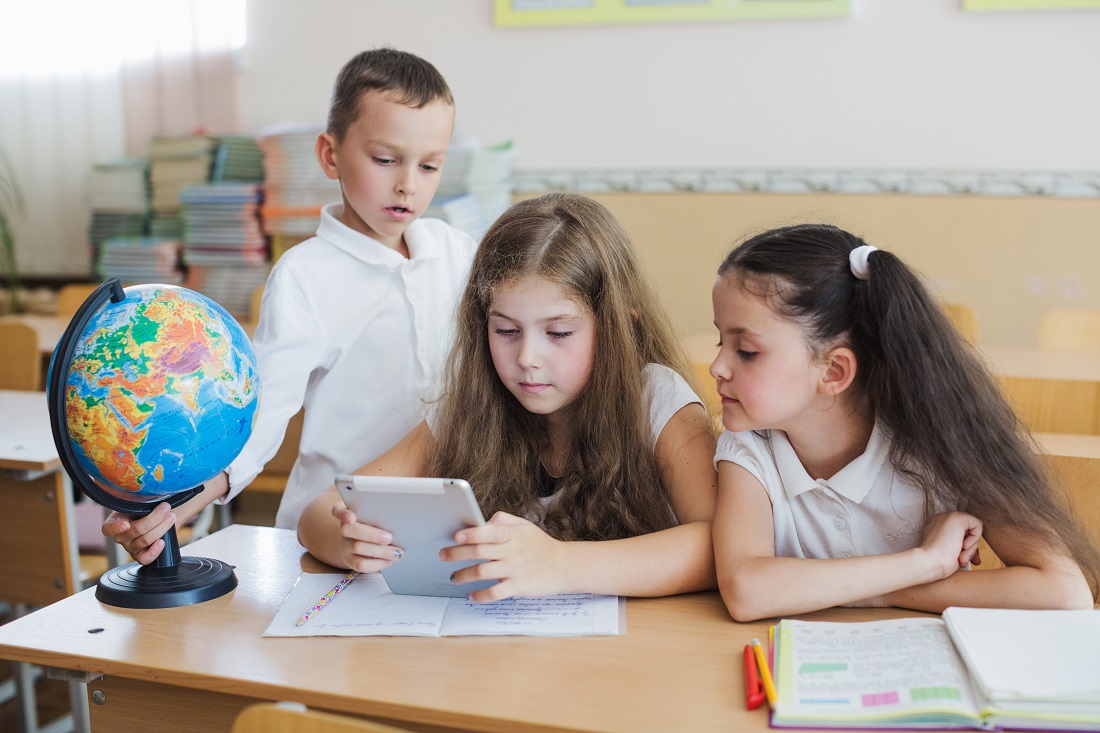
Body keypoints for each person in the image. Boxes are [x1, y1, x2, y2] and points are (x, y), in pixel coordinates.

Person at [105, 48, 477, 564]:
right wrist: (182, 503)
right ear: (329, 155)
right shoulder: (305, 274)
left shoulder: (457, 252)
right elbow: (261, 412)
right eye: (385, 159)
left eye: (430, 164)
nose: (408, 184)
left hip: (441, 530)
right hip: (333, 530)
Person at [298, 193, 719, 601]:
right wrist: (346, 541)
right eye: (506, 331)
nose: (527, 358)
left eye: (558, 333)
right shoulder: (472, 407)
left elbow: (717, 544)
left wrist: (560, 563)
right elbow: (323, 509)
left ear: (619, 328)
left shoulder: (656, 400)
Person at [709, 223, 1100, 622]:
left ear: (833, 371)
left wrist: (884, 592)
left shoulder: (939, 439)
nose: (717, 366)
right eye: (720, 341)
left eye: (746, 350)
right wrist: (923, 563)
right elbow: (747, 590)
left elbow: (1064, 591)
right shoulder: (747, 448)